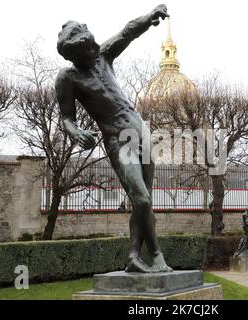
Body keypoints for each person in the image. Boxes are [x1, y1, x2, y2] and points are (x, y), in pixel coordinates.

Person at [55, 4, 171, 273]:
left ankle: (134, 256)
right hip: (118, 139)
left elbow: (127, 32)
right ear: (74, 55)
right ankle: (155, 254)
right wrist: (76, 133)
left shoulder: (102, 56)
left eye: (94, 44)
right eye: (88, 49)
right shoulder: (68, 78)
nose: (94, 49)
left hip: (140, 131)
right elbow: (67, 118)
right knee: (141, 199)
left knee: (145, 202)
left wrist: (149, 16)